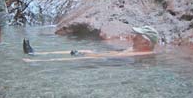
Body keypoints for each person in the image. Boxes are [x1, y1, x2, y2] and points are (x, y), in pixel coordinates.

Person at [22, 26, 159, 61]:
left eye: (138, 36)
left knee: (84, 56)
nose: (134, 37)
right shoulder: (136, 48)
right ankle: (36, 53)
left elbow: (115, 58)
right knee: (83, 50)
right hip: (112, 57)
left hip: (112, 62)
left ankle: (38, 61)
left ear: (146, 42)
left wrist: (95, 56)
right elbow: (115, 53)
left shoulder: (142, 53)